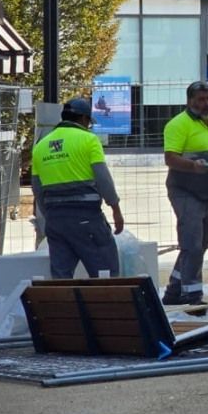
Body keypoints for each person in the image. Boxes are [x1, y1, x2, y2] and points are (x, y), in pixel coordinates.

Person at [30, 97, 124, 280]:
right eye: (88, 122)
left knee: (61, 277)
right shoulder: (89, 140)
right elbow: (103, 178)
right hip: (86, 218)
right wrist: (115, 209)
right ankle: (106, 308)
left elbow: (37, 189)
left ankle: (64, 308)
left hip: (56, 220)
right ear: (83, 119)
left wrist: (50, 217)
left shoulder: (40, 147)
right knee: (106, 274)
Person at [161, 80, 208, 306]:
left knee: (198, 245)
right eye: (201, 99)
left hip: (206, 192)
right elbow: (170, 158)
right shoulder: (178, 125)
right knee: (192, 244)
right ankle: (193, 296)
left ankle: (173, 292)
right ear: (190, 100)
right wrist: (192, 166)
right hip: (185, 190)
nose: (206, 103)